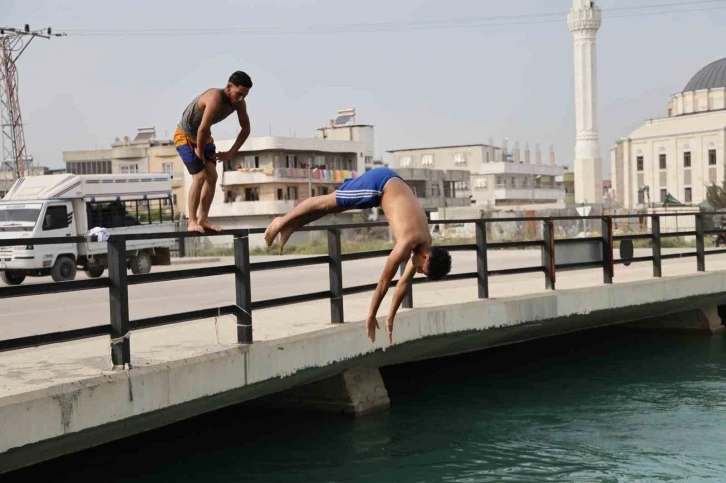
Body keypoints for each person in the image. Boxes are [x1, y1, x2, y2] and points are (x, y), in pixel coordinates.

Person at [264, 167, 452, 344]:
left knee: (333, 207)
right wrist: (371, 315)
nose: (417, 271)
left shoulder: (426, 243)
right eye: (421, 269)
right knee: (327, 202)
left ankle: (290, 227)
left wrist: (390, 317)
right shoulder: (407, 243)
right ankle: (282, 221)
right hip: (379, 185)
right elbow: (384, 283)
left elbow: (403, 283)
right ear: (427, 257)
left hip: (390, 185)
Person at [174, 71, 253, 233]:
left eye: (244, 96)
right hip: (186, 137)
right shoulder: (214, 98)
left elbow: (246, 129)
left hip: (205, 138)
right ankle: (192, 221)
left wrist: (231, 153)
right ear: (229, 87)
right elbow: (201, 129)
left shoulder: (239, 103)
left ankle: (203, 219)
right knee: (200, 177)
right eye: (238, 94)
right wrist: (199, 153)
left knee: (212, 176)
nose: (240, 99)